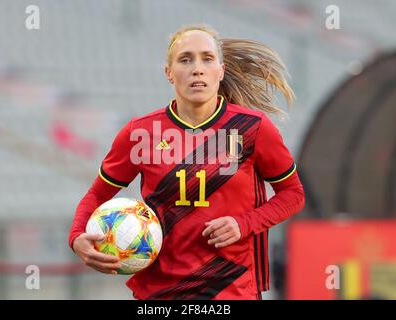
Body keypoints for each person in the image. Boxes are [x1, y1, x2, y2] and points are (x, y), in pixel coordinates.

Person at [69, 24, 305, 300]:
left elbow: (293, 194)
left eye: (207, 58)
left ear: (221, 71)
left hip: (231, 291)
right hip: (160, 294)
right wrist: (76, 238)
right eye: (185, 59)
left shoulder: (253, 128)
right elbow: (98, 193)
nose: (197, 68)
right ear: (168, 73)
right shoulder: (140, 133)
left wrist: (244, 224)